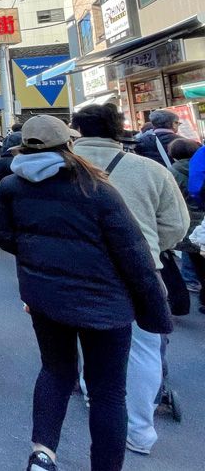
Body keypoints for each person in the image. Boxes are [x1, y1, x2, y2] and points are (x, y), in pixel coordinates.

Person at [0, 115, 173, 471]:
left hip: (45, 297)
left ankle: (42, 454)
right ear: (68, 144)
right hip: (106, 303)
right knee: (107, 392)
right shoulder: (95, 187)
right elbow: (134, 254)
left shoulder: (12, 186)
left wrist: (35, 257)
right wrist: (156, 312)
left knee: (55, 371)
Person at [70, 104, 189, 455]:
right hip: (139, 270)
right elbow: (176, 227)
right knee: (142, 349)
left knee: (81, 334)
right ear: (119, 131)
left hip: (74, 269)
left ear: (75, 131)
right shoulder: (150, 170)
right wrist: (148, 248)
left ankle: (94, 393)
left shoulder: (57, 170)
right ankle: (139, 429)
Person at [168, 138, 205, 304]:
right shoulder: (200, 165)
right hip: (202, 217)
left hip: (187, 219)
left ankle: (191, 280)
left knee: (192, 254)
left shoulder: (172, 172)